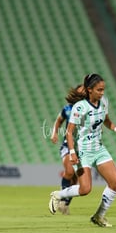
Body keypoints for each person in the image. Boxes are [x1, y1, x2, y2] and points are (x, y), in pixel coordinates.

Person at [48, 73, 116, 227]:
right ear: (90, 90)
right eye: (99, 90)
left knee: (115, 183)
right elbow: (69, 132)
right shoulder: (80, 107)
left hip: (99, 149)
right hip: (82, 151)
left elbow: (106, 121)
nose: (102, 93)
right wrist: (72, 152)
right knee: (85, 189)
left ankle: (99, 216)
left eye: (103, 90)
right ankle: (58, 195)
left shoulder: (103, 103)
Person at [50, 85, 85, 215]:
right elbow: (58, 121)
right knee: (69, 171)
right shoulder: (67, 109)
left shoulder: (88, 108)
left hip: (82, 147)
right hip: (67, 145)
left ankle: (65, 203)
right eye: (82, 89)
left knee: (76, 177)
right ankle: (60, 197)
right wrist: (54, 133)